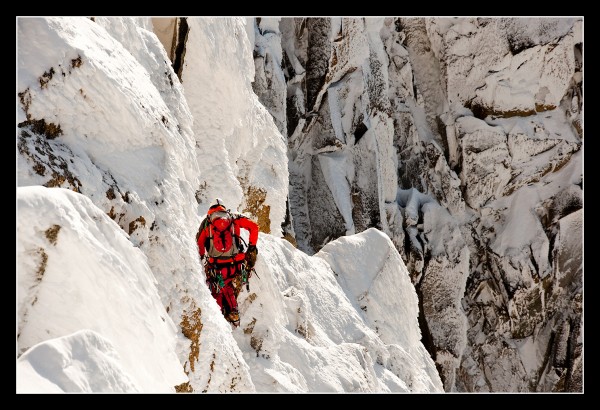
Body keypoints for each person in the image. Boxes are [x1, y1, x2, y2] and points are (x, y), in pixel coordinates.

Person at [197, 198, 259, 327]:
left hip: (217, 266)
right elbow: (254, 226)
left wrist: (202, 259)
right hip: (237, 263)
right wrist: (252, 247)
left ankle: (218, 319)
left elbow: (200, 245)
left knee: (218, 289)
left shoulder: (206, 223)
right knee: (229, 288)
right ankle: (234, 315)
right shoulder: (234, 218)